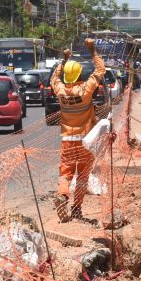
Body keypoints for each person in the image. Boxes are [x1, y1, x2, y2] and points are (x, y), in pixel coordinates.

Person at [50, 39, 105, 223]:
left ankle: (63, 195)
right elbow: (100, 71)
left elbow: (54, 79)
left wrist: (63, 61)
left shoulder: (60, 91)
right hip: (85, 140)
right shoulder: (85, 90)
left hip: (67, 138)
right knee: (82, 175)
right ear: (80, 74)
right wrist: (92, 50)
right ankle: (76, 208)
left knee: (65, 172)